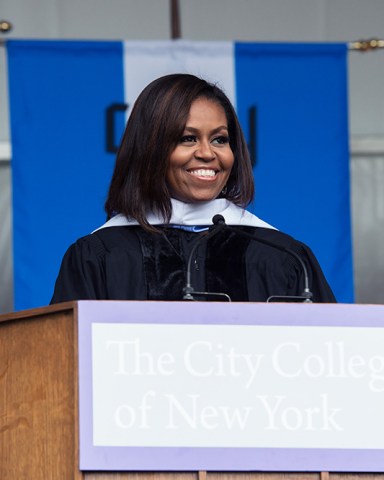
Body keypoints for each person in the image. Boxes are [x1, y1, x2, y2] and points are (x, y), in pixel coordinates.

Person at [51, 73, 336, 304]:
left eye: (220, 140)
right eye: (188, 138)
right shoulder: (102, 255)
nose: (207, 153)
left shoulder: (282, 256)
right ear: (149, 150)